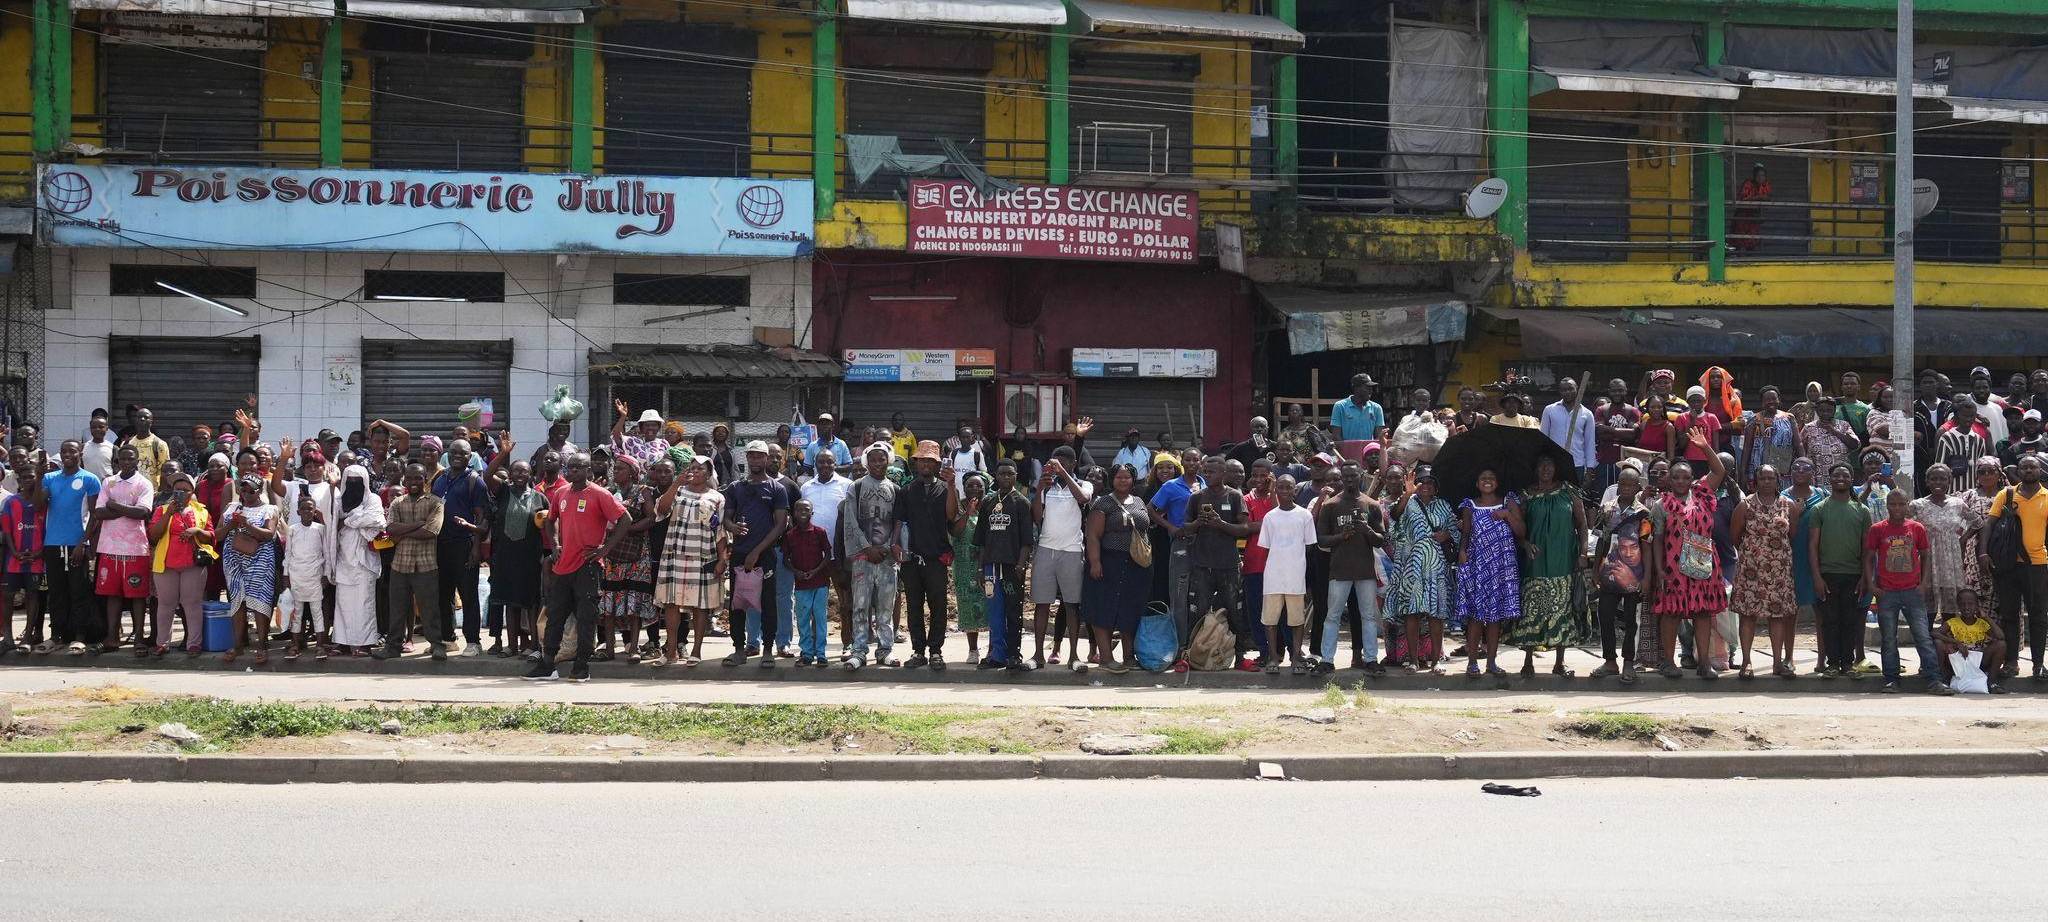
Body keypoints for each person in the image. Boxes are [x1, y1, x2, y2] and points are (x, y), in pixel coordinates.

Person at [1651, 429, 1731, 680]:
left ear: (1692, 479)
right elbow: (1658, 539)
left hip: (1703, 563)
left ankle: (1704, 663)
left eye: (1685, 478)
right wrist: (1659, 570)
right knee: (1672, 612)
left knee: (1703, 612)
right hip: (1673, 567)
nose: (1681, 482)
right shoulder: (1661, 505)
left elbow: (1719, 471)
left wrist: (1705, 447)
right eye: (1675, 478)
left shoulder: (1703, 495)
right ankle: (1668, 661)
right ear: (1669, 480)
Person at [1864, 489, 1948, 694]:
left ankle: (1934, 679)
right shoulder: (1878, 529)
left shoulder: (1916, 528)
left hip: (1912, 591)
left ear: (1907, 504)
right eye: (1893, 504)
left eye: (1901, 504)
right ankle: (1891, 679)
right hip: (1887, 592)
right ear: (1887, 505)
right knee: (1888, 638)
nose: (1897, 508)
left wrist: (1924, 582)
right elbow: (1868, 558)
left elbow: (1926, 555)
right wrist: (1872, 585)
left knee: (1922, 636)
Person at [1508, 455, 1584, 677]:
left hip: (1564, 558)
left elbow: (1582, 523)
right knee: (1533, 607)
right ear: (1535, 469)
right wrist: (1524, 544)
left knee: (1562, 607)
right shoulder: (1526, 495)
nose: (1546, 469)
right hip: (1536, 560)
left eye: (1550, 465)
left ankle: (1560, 662)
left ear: (1556, 468)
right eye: (1541, 465)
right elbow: (1518, 528)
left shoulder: (1568, 491)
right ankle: (1528, 661)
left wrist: (1582, 553)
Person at [653, 459, 726, 667]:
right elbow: (661, 510)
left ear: (709, 473)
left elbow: (719, 531)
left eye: (700, 468)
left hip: (703, 556)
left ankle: (696, 650)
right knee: (671, 602)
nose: (695, 471)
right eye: (692, 468)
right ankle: (671, 651)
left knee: (700, 604)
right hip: (675, 554)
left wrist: (722, 559)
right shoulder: (679, 491)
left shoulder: (717, 498)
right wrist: (676, 483)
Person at [1729, 465, 1798, 679]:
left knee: (1777, 616)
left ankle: (1778, 663)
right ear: (1756, 481)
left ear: (1778, 480)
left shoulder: (1789, 506)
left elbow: (1792, 535)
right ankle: (1747, 662)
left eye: (1771, 478)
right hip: (1751, 569)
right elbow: (1735, 536)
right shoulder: (1745, 505)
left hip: (1779, 572)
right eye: (1762, 478)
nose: (1766, 482)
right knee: (1748, 616)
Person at [1187, 456, 1253, 671]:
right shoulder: (1196, 497)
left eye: (1212, 472)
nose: (1208, 475)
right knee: (1198, 611)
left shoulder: (1234, 496)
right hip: (1202, 564)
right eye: (1205, 471)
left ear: (1223, 473)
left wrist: (1221, 524)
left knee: (1234, 610)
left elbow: (1244, 529)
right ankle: (1191, 656)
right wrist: (1199, 523)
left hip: (1228, 564)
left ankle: (1241, 656)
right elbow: (1185, 528)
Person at [1457, 469, 1523, 680]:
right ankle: (1472, 662)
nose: (1487, 481)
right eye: (1483, 478)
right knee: (1476, 617)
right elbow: (1466, 533)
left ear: (1497, 482)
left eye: (1491, 478)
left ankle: (1492, 662)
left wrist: (1507, 515)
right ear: (1477, 483)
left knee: (1495, 618)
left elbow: (1521, 531)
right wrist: (1462, 552)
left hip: (1502, 566)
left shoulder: (1508, 501)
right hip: (1479, 565)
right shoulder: (1470, 505)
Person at [1986, 454, 2048, 679]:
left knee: (2038, 616)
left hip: (2037, 565)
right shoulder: (2007, 494)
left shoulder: (2047, 497)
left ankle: (2038, 664)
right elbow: (1989, 524)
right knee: (2010, 615)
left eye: (2033, 467)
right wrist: (1984, 553)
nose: (2029, 470)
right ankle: (2011, 663)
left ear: (2040, 470)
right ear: (2018, 471)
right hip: (2008, 565)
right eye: (2025, 467)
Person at [1030, 445, 1092, 669]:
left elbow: (1084, 498)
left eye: (1063, 462)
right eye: (1055, 462)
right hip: (1046, 549)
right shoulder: (1046, 486)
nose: (1058, 466)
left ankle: (1074, 656)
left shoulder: (1084, 483)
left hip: (1072, 551)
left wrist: (1063, 473)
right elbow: (1037, 517)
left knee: (1072, 604)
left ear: (1073, 464)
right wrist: (1039, 489)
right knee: (1042, 603)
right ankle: (1038, 655)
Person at [374, 463, 444, 661]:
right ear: (404, 479)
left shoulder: (436, 503)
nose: (414, 482)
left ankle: (437, 645)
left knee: (429, 608)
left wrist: (404, 531)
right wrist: (417, 525)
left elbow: (431, 532)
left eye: (418, 478)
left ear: (425, 480)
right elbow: (391, 529)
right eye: (410, 478)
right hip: (400, 565)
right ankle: (393, 647)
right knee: (397, 608)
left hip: (426, 564)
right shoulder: (397, 503)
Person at [1809, 462, 1873, 678]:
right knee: (1830, 621)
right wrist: (1817, 577)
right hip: (1827, 575)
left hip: (1853, 575)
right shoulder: (1820, 509)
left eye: (1845, 475)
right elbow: (1813, 546)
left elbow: (1866, 549)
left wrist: (1865, 576)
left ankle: (1848, 663)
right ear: (1830, 479)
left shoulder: (1862, 511)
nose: (1841, 479)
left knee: (1850, 620)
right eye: (1836, 475)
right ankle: (1832, 663)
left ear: (1852, 479)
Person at [970, 460, 1035, 671]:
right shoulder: (988, 502)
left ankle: (1013, 655)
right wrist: (980, 568)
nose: (1006, 477)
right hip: (990, 566)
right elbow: (980, 540)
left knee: (1013, 611)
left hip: (1011, 567)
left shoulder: (1022, 503)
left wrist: (1020, 565)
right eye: (1002, 474)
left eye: (1010, 474)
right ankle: (996, 654)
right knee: (994, 611)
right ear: (995, 476)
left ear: (1016, 476)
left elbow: (1027, 540)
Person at [841, 445, 902, 670]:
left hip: (887, 559)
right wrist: (867, 548)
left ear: (889, 461)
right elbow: (851, 521)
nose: (878, 463)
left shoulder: (895, 489)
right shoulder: (855, 488)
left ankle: (885, 650)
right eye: (874, 460)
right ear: (867, 462)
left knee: (886, 607)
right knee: (860, 606)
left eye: (882, 459)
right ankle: (859, 650)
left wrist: (887, 547)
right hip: (862, 557)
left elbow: (898, 522)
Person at [1082, 463, 1147, 673]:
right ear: (1112, 479)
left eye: (1127, 477)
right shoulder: (1104, 502)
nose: (1123, 480)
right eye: (1119, 477)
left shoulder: (1138, 501)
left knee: (1130, 609)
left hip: (1135, 564)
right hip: (1108, 562)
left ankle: (1129, 656)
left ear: (1133, 479)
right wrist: (1095, 561)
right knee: (1104, 608)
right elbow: (1092, 535)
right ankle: (1106, 658)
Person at [91, 444, 154, 654]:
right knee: (113, 594)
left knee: (137, 595)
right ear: (117, 461)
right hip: (109, 547)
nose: (126, 462)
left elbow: (143, 513)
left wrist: (116, 507)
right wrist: (128, 510)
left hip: (136, 548)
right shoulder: (108, 482)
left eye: (130, 459)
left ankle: (138, 638)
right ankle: (112, 636)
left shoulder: (144, 484)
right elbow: (99, 512)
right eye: (122, 459)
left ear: (137, 461)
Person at [41, 440, 101, 655]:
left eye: (72, 451)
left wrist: (83, 542)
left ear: (80, 453)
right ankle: (57, 635)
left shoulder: (90, 479)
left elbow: (95, 515)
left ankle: (79, 636)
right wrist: (41, 476)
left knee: (79, 590)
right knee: (56, 592)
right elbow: (40, 505)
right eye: (64, 451)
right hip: (52, 543)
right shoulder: (49, 478)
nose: (67, 454)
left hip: (76, 545)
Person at [1591, 464, 1650, 682]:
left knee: (1630, 620)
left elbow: (1647, 546)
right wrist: (1596, 570)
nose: (1625, 488)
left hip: (1634, 575)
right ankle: (1609, 660)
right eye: (1622, 483)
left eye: (1630, 484)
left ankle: (1628, 662)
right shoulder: (1606, 509)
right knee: (1604, 614)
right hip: (1608, 572)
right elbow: (1600, 541)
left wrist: (1647, 577)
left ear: (1637, 487)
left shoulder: (1644, 513)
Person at [1253, 473, 1315, 675]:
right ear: (1275, 490)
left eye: (1289, 487)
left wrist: (1300, 572)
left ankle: (1296, 657)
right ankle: (1273, 658)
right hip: (1273, 578)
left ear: (1295, 490)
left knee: (1296, 620)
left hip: (1296, 577)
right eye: (1281, 487)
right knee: (1270, 620)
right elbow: (1267, 547)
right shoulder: (1270, 517)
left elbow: (1308, 546)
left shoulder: (1305, 515)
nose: (1285, 491)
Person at [217, 474, 282, 664]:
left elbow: (269, 534)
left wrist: (247, 524)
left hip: (260, 559)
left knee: (260, 601)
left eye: (250, 490)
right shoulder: (231, 508)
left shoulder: (270, 509)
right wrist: (232, 524)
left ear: (259, 490)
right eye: (242, 490)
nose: (246, 494)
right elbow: (218, 535)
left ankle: (262, 645)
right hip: (233, 560)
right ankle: (238, 645)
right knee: (237, 601)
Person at [145, 470, 210, 657]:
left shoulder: (201, 511)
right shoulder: (161, 510)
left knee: (192, 604)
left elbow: (211, 537)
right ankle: (162, 643)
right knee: (165, 604)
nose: (180, 493)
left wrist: (197, 530)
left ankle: (194, 644)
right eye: (177, 490)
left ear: (192, 492)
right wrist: (169, 514)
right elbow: (154, 535)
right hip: (166, 564)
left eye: (184, 490)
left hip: (192, 564)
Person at [1149, 449, 1207, 650]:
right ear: (1182, 462)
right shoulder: (1171, 486)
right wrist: (1170, 527)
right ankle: (1179, 646)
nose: (1192, 463)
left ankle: (1197, 645)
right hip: (1181, 544)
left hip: (1204, 545)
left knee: (1201, 595)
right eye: (1188, 459)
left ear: (1201, 463)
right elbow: (1151, 509)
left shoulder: (1206, 484)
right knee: (1179, 595)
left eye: (1196, 460)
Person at [330, 465, 385, 657]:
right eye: (350, 481)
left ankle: (365, 643)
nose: (354, 485)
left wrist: (348, 520)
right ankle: (343, 642)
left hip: (364, 561)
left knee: (364, 603)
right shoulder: (338, 501)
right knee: (343, 603)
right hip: (343, 558)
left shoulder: (373, 499)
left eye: (358, 481)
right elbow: (332, 526)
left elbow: (377, 521)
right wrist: (355, 520)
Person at [0, 457, 44, 653]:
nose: (28, 480)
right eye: (24, 477)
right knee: (8, 595)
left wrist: (39, 552)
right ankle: (8, 637)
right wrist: (15, 552)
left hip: (36, 559)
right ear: (18, 480)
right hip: (14, 560)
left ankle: (27, 637)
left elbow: (48, 530)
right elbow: (7, 530)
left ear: (37, 478)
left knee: (33, 595)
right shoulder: (10, 502)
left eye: (31, 477)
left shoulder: (43, 502)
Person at [281, 493, 330, 660]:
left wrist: (325, 574)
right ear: (298, 511)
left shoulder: (320, 529)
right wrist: (285, 575)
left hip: (315, 575)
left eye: (310, 508)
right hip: (296, 576)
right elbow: (288, 554)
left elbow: (326, 553)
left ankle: (320, 646)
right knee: (297, 613)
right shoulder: (293, 530)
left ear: (315, 510)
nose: (307, 511)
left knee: (317, 612)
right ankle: (295, 645)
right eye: (303, 509)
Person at [949, 472, 991, 665]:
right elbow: (956, 532)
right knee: (968, 606)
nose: (975, 489)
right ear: (964, 488)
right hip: (964, 566)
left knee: (990, 606)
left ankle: (993, 649)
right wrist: (968, 512)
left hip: (986, 565)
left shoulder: (991, 507)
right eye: (971, 486)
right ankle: (973, 650)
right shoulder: (957, 508)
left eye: (979, 486)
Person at [1933, 591, 2009, 694]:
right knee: (1938, 643)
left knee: (2001, 645)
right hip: (1959, 662)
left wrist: (1986, 617)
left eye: (1970, 604)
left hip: (1978, 661)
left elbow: (2000, 637)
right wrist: (1956, 642)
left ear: (1977, 606)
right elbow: (1934, 634)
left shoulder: (1982, 623)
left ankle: (1991, 683)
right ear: (1958, 606)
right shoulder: (1953, 622)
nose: (1966, 607)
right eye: (1962, 604)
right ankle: (1944, 680)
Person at [1540, 377, 1597, 483]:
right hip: (1554, 464)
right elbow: (1543, 438)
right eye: (1563, 390)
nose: (1567, 392)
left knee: (1574, 498)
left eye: (1570, 389)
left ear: (1577, 389)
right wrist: (1543, 463)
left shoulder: (1587, 414)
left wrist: (1590, 469)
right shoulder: (1549, 410)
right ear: (1560, 392)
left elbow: (1590, 443)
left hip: (1577, 464)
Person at [1592, 378, 1642, 493]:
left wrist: (1609, 430)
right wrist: (1623, 433)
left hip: (1626, 462)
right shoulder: (1602, 410)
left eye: (1620, 390)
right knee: (1603, 495)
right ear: (1609, 391)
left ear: (1625, 390)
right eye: (1614, 391)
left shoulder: (1632, 411)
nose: (1617, 393)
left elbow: (1633, 435)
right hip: (1605, 460)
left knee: (1625, 494)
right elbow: (1600, 432)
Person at [1798, 396, 1859, 477]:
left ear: (1834, 410)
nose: (1825, 413)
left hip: (1840, 476)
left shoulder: (1844, 425)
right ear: (1817, 411)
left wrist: (1834, 431)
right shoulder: (1809, 428)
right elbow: (1800, 448)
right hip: (1817, 476)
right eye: (1821, 410)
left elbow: (1854, 445)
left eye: (1829, 410)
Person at [1936, 397, 1993, 474]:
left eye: (1971, 416)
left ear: (1975, 417)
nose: (1968, 419)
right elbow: (1939, 466)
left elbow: (1981, 466)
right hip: (1952, 485)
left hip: (1974, 485)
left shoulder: (1980, 440)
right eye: (1965, 416)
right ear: (1958, 415)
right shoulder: (1946, 438)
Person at [123, 406, 172, 490]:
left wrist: (160, 493)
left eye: (146, 417)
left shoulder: (159, 444)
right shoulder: (128, 443)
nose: (142, 419)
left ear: (151, 422)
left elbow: (164, 472)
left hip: (152, 492)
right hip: (130, 491)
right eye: (139, 417)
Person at [1330, 374, 1385, 442]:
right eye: (1367, 387)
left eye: (1371, 388)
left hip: (1369, 450)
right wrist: (1350, 449)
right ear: (1356, 388)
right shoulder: (1340, 406)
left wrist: (1370, 449)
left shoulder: (1376, 408)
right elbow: (1336, 436)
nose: (1370, 390)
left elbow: (1379, 436)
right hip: (1347, 450)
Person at [1732, 161, 1769, 252]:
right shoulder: (1748, 184)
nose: (1761, 178)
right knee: (1740, 239)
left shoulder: (1764, 186)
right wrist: (1758, 197)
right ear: (1754, 176)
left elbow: (1768, 197)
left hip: (1754, 217)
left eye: (1763, 176)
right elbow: (1742, 199)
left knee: (1752, 241)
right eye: (1759, 175)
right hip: (1743, 216)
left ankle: (1750, 257)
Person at [81, 410, 115, 479]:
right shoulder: (83, 447)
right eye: (94, 427)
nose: (97, 429)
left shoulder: (113, 448)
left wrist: (111, 484)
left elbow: (116, 470)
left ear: (107, 428)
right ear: (90, 429)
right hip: (88, 486)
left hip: (106, 487)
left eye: (101, 427)